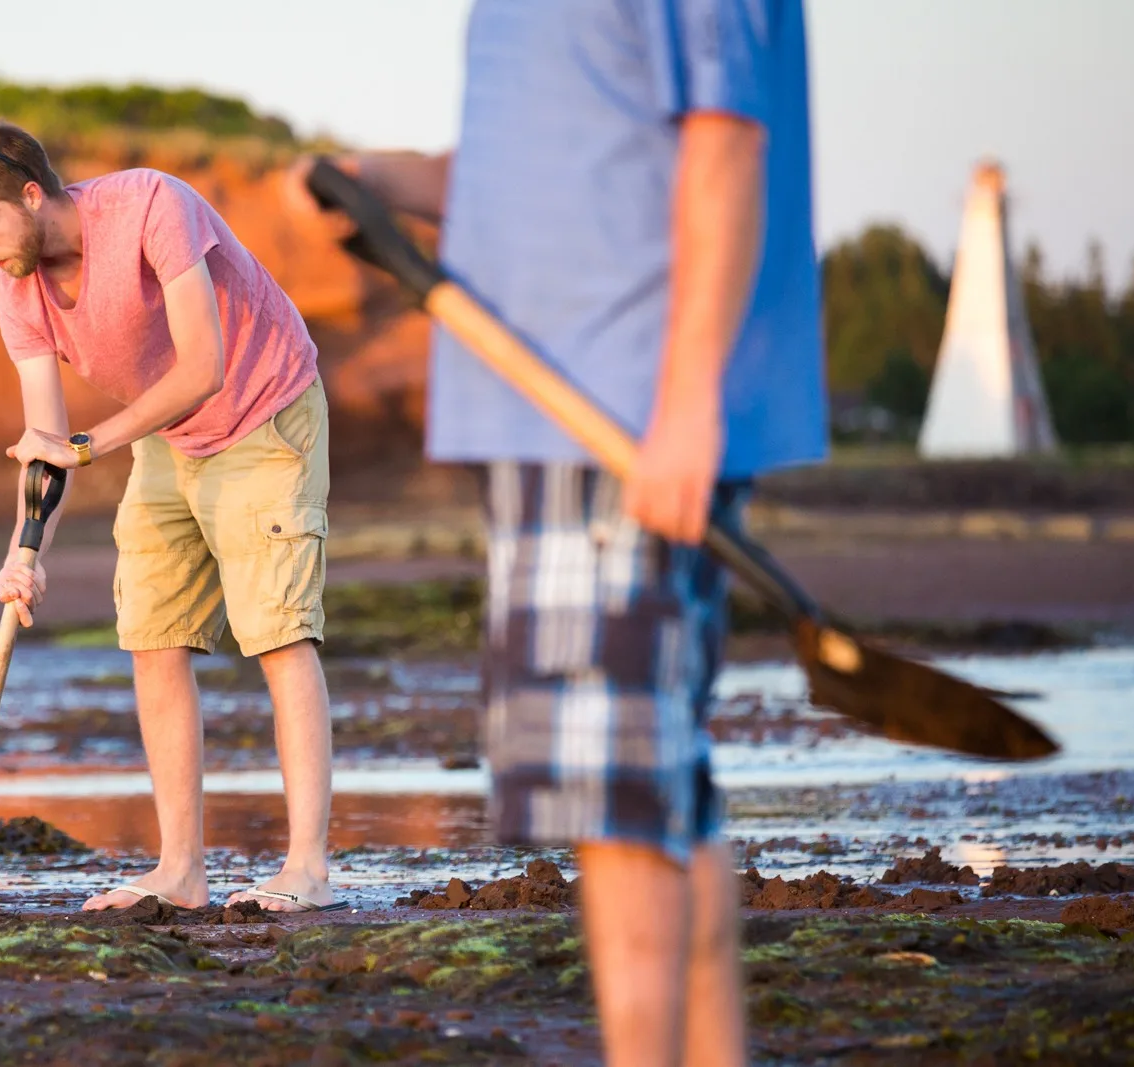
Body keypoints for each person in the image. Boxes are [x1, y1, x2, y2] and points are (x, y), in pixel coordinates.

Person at [286, 0, 826, 1062]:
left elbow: (725, 139)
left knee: (618, 808)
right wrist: (381, 181)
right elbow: (527, 177)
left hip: (616, 417)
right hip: (551, 414)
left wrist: (684, 405)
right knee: (662, 793)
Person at [0, 119, 343, 914]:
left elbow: (203, 365)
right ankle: (181, 871)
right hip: (167, 433)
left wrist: (88, 445)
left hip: (266, 408)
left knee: (279, 631)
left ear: (31, 194)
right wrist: (28, 551)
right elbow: (47, 451)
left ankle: (309, 868)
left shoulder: (154, 203)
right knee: (152, 635)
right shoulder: (17, 291)